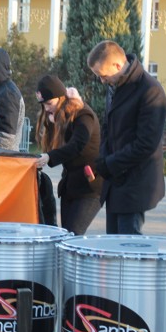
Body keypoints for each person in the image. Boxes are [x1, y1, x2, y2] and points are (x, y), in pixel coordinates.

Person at [88, 40, 166, 234]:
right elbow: (108, 126)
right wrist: (102, 159)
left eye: (103, 75)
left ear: (117, 65)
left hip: (135, 182)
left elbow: (146, 144)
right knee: (113, 245)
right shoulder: (115, 85)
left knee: (127, 248)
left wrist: (110, 164)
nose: (102, 81)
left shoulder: (150, 90)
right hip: (115, 180)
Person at [34, 75, 102, 235]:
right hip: (70, 187)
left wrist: (49, 157)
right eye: (43, 105)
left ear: (61, 98)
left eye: (49, 104)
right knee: (65, 236)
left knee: (72, 235)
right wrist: (52, 126)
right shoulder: (58, 117)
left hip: (90, 187)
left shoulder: (84, 115)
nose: (46, 109)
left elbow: (76, 145)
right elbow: (55, 145)